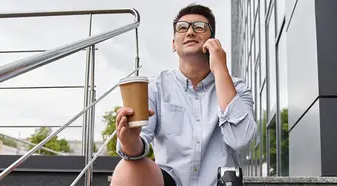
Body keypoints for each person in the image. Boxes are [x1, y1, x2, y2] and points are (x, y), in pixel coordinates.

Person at [110, 3, 257, 186]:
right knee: (127, 167)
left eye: (199, 27)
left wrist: (220, 69)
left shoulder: (237, 88)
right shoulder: (155, 87)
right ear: (173, 44)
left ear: (213, 41)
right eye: (182, 28)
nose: (190, 32)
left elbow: (241, 140)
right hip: (170, 182)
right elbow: (137, 146)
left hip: (219, 182)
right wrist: (129, 142)